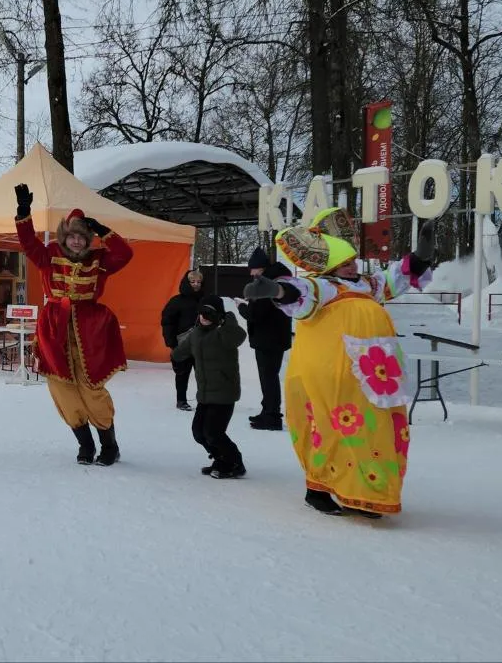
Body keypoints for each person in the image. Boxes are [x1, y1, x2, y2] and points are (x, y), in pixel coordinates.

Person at [242, 207, 435, 518]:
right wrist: (276, 289)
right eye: (345, 263)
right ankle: (318, 489)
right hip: (333, 372)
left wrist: (420, 257)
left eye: (353, 261)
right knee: (334, 430)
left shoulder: (369, 285)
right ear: (331, 265)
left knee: (375, 432)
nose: (352, 266)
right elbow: (300, 293)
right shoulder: (325, 287)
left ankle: (364, 494)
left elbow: (395, 278)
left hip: (373, 376)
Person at [14, 185, 133, 466]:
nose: (77, 242)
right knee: (62, 389)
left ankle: (109, 445)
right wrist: (23, 213)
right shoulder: (49, 254)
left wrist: (103, 230)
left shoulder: (99, 260)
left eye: (82, 237)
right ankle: (85, 445)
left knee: (92, 389)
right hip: (54, 330)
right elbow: (28, 243)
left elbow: (125, 254)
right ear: (64, 236)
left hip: (90, 331)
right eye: (72, 236)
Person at [172, 296, 248, 479]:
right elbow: (179, 352)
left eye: (209, 313)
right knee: (199, 432)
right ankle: (220, 458)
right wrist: (176, 356)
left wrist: (228, 318)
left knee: (213, 432)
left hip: (224, 392)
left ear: (218, 315)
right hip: (205, 394)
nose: (204, 317)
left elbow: (238, 336)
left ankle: (234, 463)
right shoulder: (196, 334)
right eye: (201, 313)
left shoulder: (223, 333)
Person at [235, 247, 293, 431]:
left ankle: (271, 416)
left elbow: (255, 315)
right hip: (276, 337)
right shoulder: (279, 279)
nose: (251, 273)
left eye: (253, 269)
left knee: (268, 379)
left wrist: (241, 307)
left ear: (261, 268)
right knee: (270, 377)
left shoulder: (265, 285)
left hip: (267, 339)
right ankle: (268, 411)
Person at [162, 269, 204, 411]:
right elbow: (167, 322)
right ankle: (181, 400)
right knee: (182, 374)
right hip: (183, 344)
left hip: (203, 344)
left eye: (199, 282)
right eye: (192, 281)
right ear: (187, 282)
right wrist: (172, 342)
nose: (196, 284)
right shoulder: (176, 301)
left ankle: (205, 400)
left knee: (204, 374)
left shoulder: (206, 300)